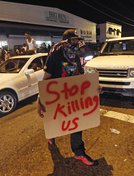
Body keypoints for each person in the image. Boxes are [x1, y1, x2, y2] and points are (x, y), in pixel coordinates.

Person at [37, 29, 98, 166]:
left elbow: (81, 76)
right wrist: (40, 100)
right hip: (56, 96)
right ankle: (52, 135)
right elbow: (46, 78)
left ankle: (79, 152)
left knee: (77, 122)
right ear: (66, 41)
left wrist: (93, 87)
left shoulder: (76, 55)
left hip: (73, 95)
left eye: (77, 40)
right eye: (73, 40)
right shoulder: (55, 54)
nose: (76, 43)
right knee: (55, 119)